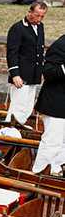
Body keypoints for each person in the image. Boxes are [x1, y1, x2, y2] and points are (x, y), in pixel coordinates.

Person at [5, 1, 47, 126]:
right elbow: (12, 53)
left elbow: (39, 51)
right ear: (29, 12)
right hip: (21, 76)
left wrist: (41, 71)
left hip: (33, 75)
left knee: (28, 108)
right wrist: (15, 74)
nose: (39, 19)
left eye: (42, 16)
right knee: (18, 107)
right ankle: (8, 131)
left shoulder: (40, 27)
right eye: (37, 15)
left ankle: (18, 130)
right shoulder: (17, 28)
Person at [31, 34, 65, 176]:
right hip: (56, 102)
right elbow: (48, 73)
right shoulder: (61, 45)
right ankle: (38, 172)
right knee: (52, 142)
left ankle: (55, 171)